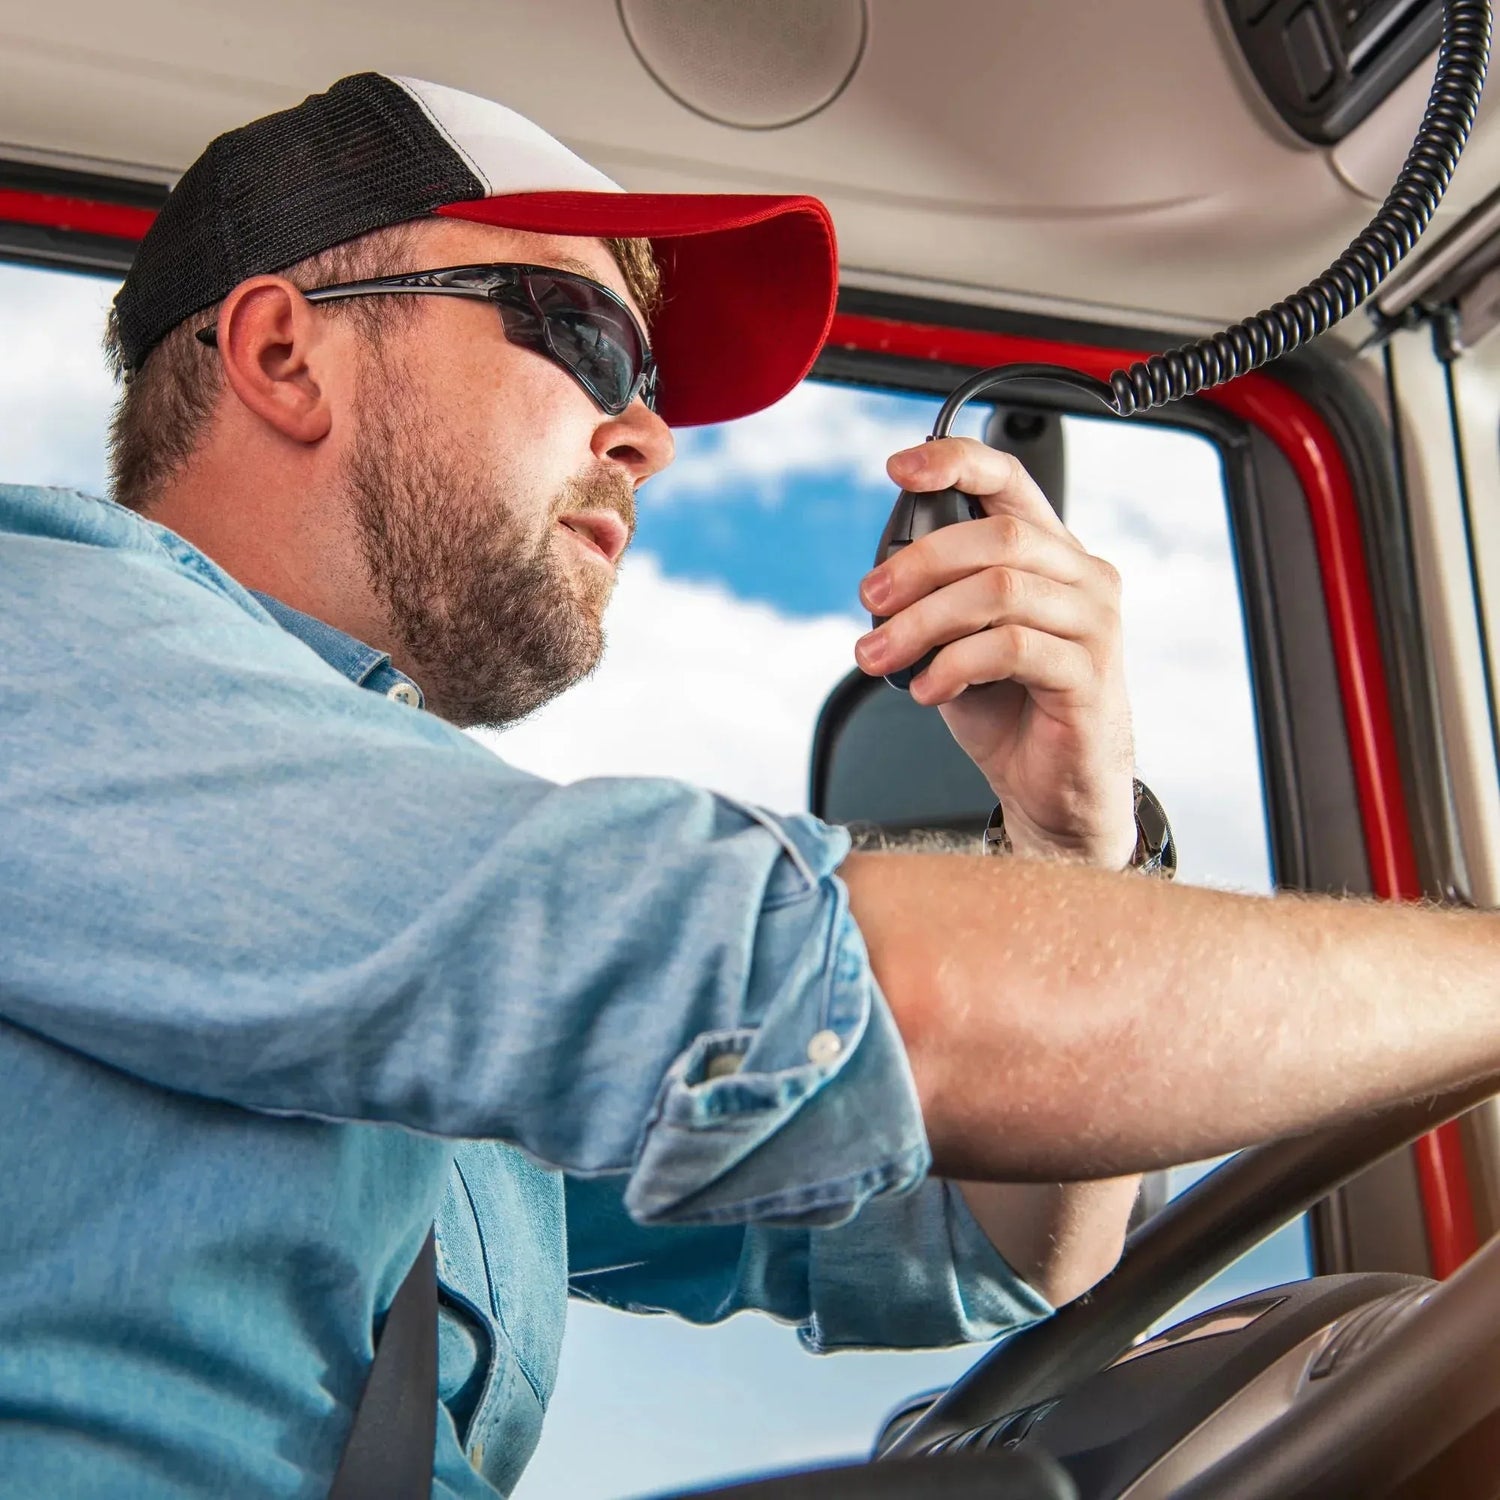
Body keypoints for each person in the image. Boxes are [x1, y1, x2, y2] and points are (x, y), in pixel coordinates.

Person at [1, 72, 1495, 1500]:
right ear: (282, 353)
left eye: (647, 381)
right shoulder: (40, 651)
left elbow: (996, 1245)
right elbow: (900, 1015)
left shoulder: (368, 922)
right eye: (581, 335)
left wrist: (1069, 831)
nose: (649, 435)